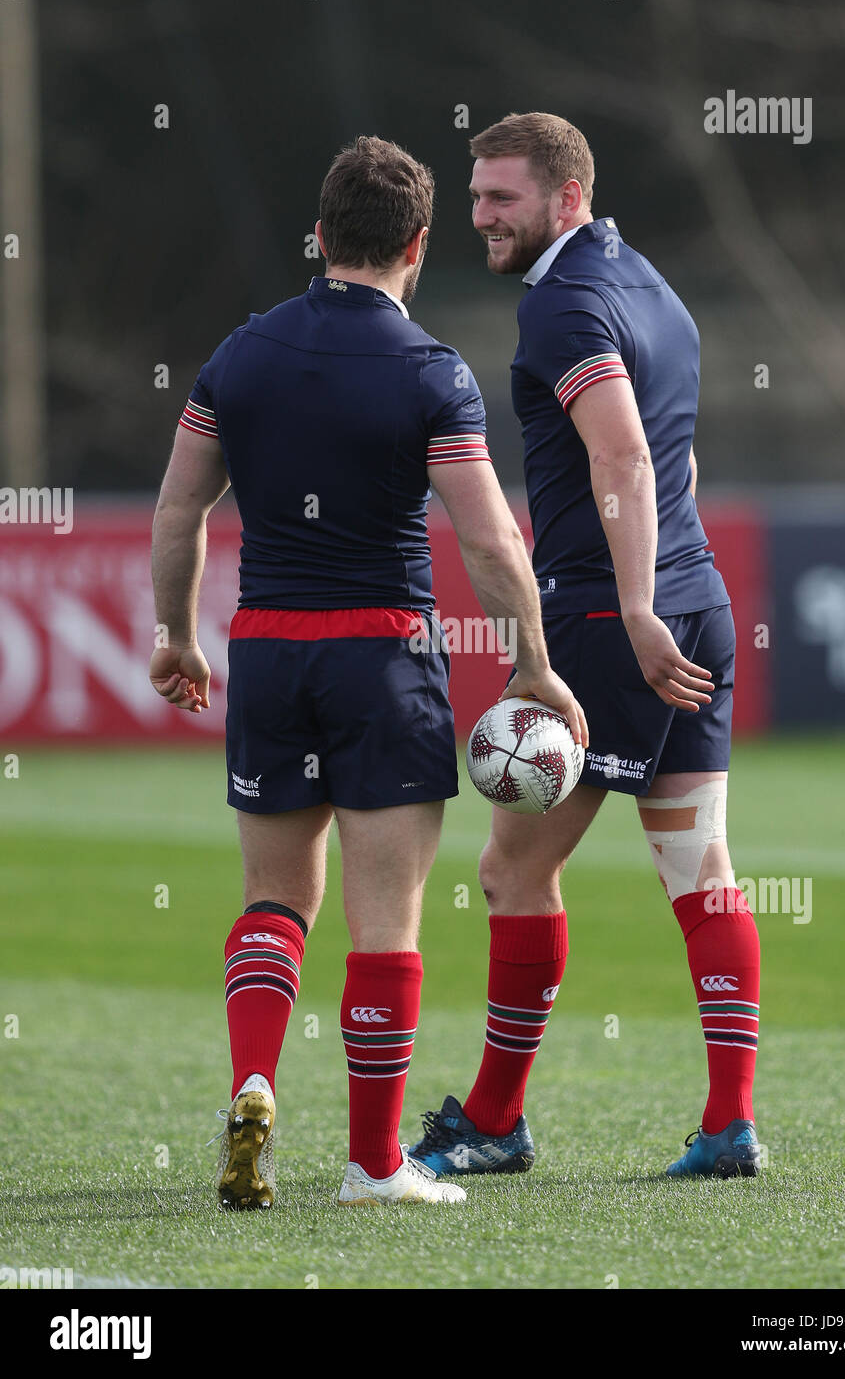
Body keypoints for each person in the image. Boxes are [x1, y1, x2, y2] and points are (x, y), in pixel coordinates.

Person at [149, 135, 586, 1210]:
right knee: (383, 916)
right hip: (382, 654)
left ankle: (254, 1077)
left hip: (264, 647)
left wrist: (176, 636)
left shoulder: (240, 354)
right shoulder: (430, 371)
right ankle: (373, 1162)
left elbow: (177, 510)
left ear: (320, 234)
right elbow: (488, 542)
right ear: (417, 245)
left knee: (271, 897)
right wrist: (531, 663)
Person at [411, 113, 761, 1181]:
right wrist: (668, 594)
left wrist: (632, 604)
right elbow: (675, 457)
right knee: (698, 869)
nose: (479, 217)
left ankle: (494, 1120)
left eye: (500, 198)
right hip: (693, 599)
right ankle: (727, 1125)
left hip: (616, 616)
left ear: (565, 197)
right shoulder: (649, 283)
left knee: (508, 873)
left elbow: (622, 456)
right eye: (472, 197)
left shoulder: (563, 304)